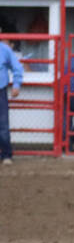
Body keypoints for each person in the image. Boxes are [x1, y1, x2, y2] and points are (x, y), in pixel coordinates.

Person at [0, 35, 23, 164]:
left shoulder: (4, 50)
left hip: (0, 90)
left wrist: (16, 84)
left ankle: (6, 155)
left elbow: (17, 67)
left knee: (3, 125)